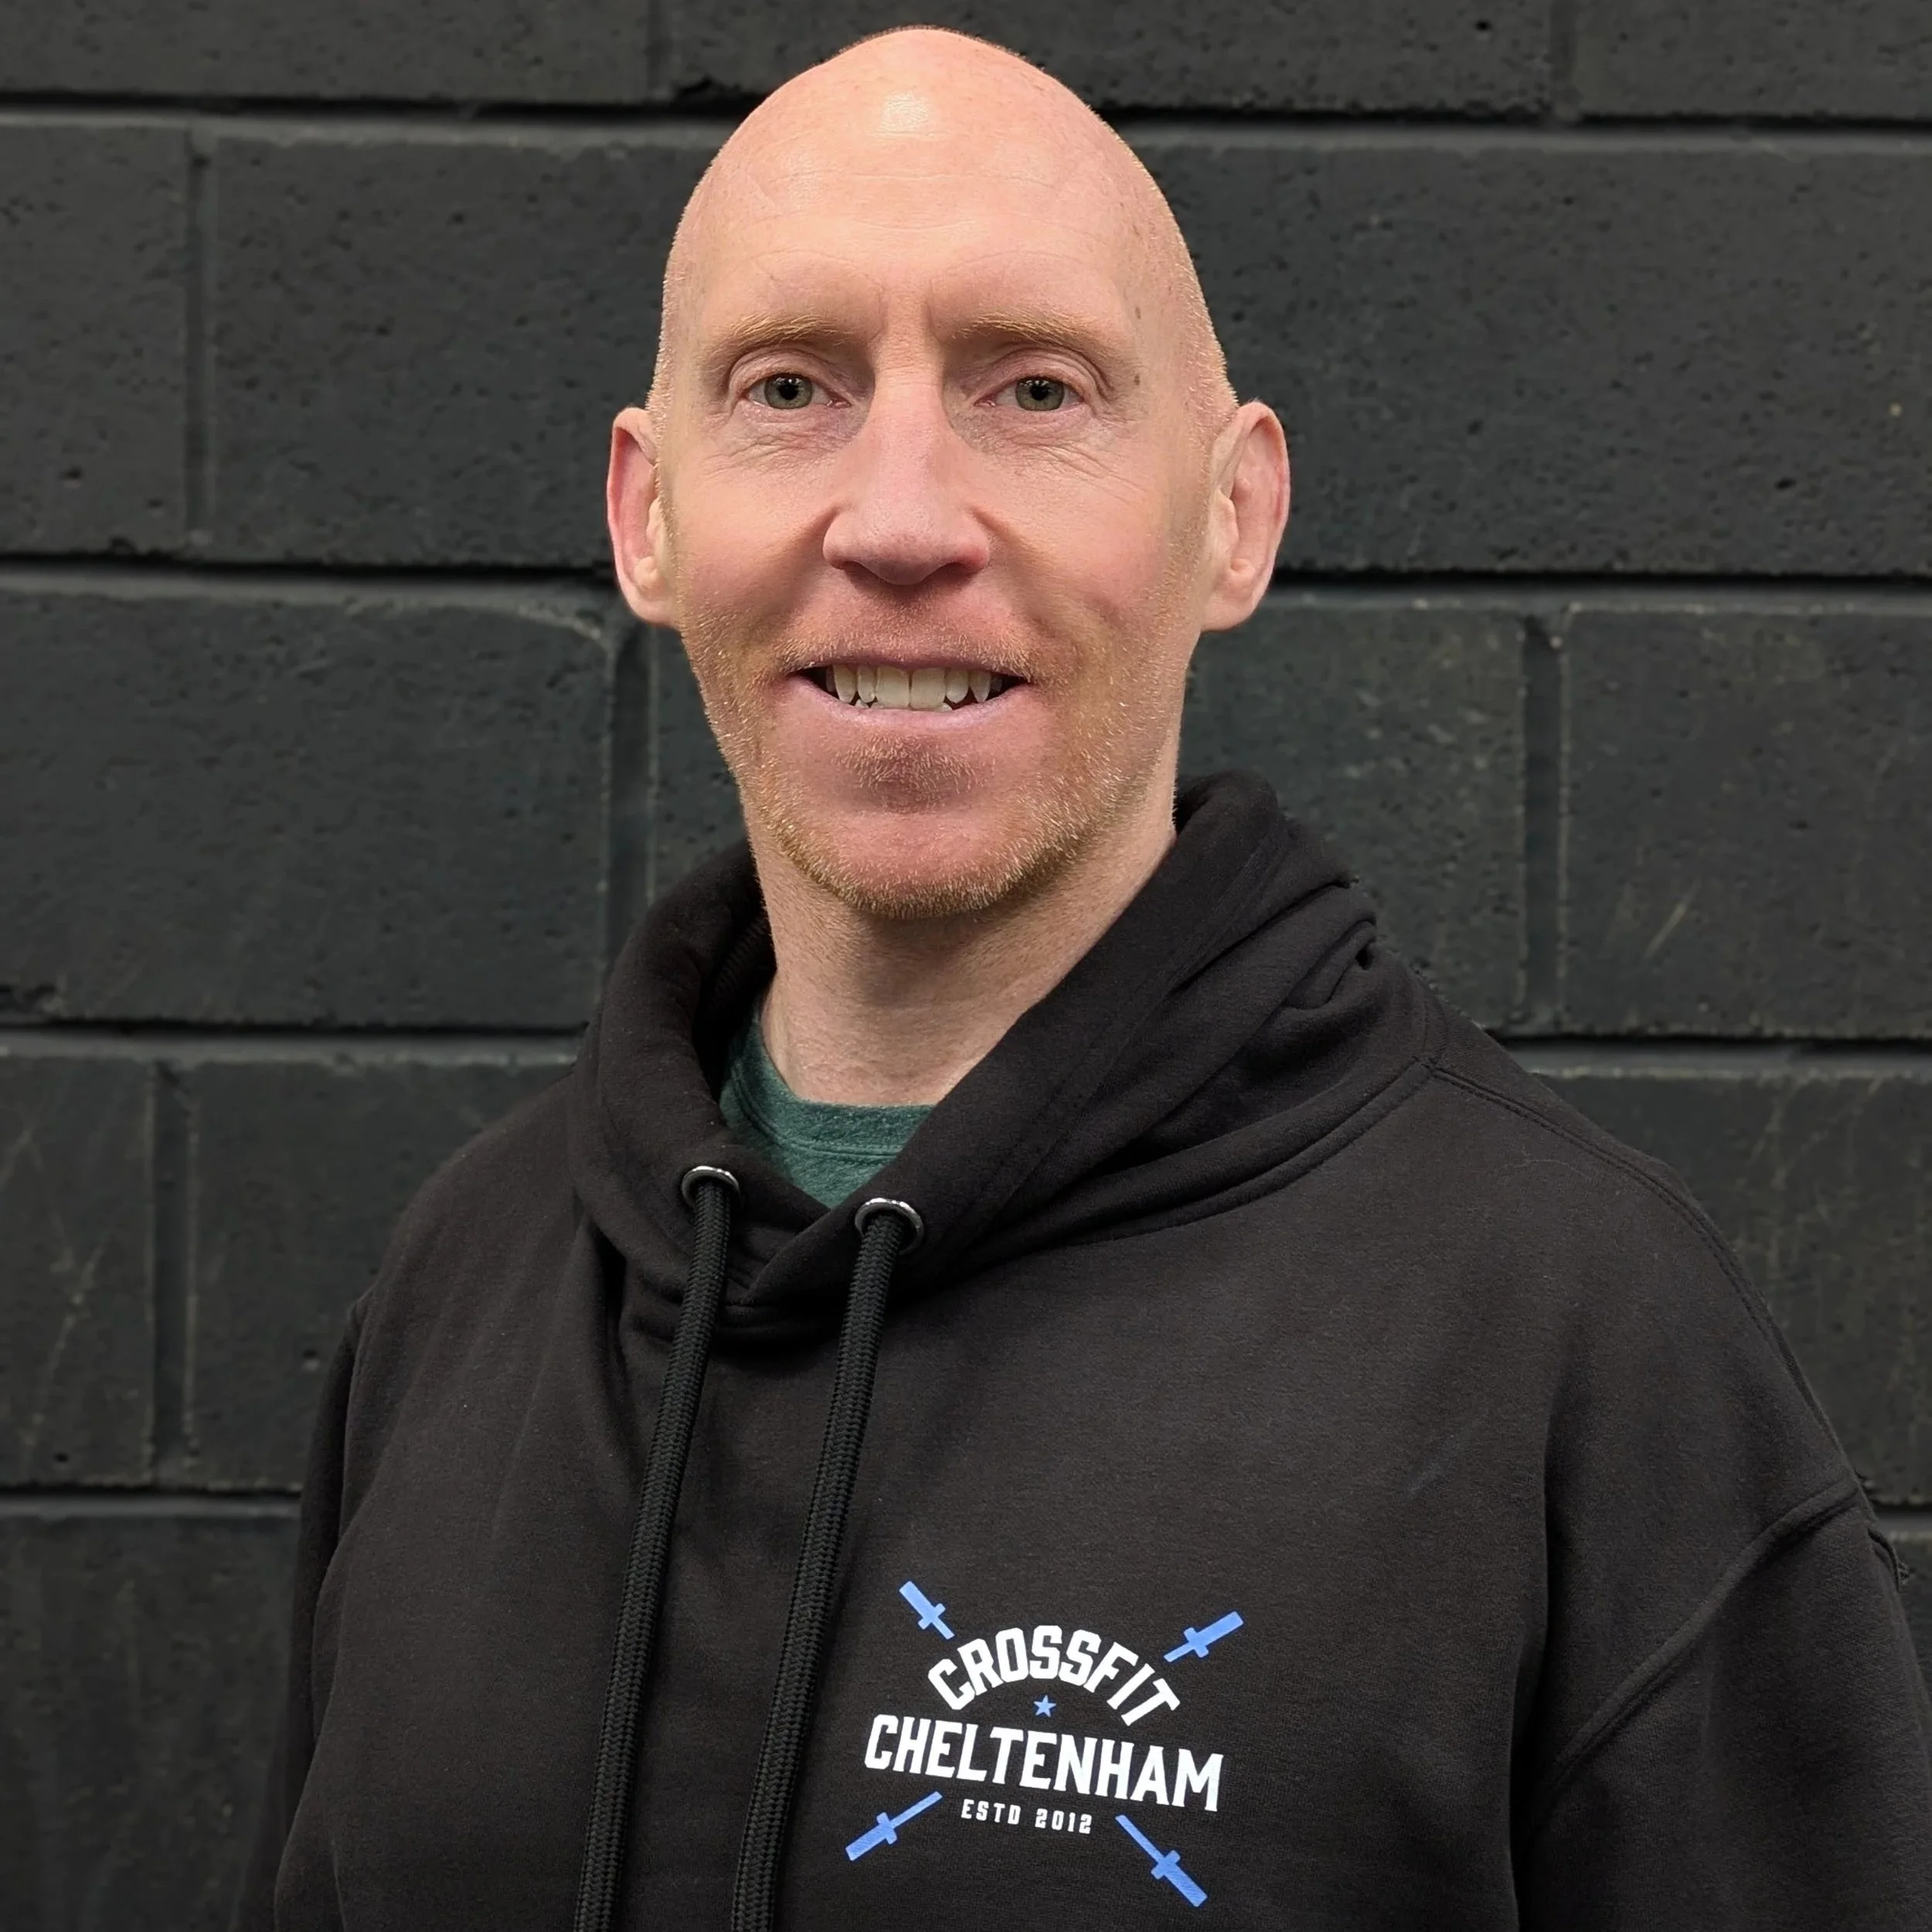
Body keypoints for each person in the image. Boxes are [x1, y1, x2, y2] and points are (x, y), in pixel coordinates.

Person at [235, 28, 1932, 1932]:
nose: (897, 519)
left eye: (1032, 388)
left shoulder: (1585, 1349)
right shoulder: (463, 1289)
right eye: (787, 386)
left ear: (1231, 513)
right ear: (647, 512)